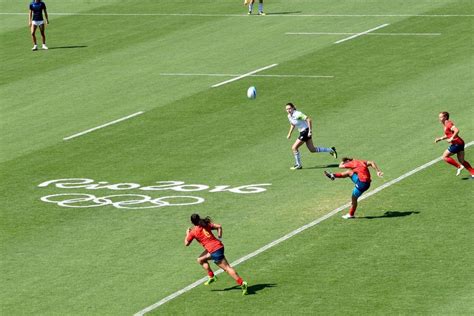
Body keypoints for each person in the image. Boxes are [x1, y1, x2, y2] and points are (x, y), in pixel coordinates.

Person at [185, 214, 248, 295]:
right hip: (218, 247)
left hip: (214, 251)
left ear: (192, 222)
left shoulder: (193, 231)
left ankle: (242, 283)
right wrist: (219, 237)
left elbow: (186, 243)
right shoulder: (205, 224)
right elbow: (219, 226)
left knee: (227, 268)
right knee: (200, 259)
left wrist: (187, 233)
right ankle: (212, 276)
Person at [286, 102, 337, 170]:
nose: (288, 110)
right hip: (302, 132)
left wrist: (310, 131)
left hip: (306, 131)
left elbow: (308, 119)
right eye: (287, 109)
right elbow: (293, 124)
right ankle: (331, 150)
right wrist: (289, 133)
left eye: (289, 108)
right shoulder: (289, 116)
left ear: (293, 108)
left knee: (294, 147)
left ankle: (298, 165)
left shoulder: (298, 114)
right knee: (312, 149)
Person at [435, 111, 474, 178]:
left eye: (441, 117)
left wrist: (451, 138)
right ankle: (473, 173)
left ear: (445, 117)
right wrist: (440, 138)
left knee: (445, 157)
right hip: (460, 143)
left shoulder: (448, 123)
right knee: (462, 160)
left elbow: (457, 130)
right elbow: (448, 134)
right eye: (439, 117)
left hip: (457, 143)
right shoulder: (445, 124)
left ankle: (459, 167)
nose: (439, 118)